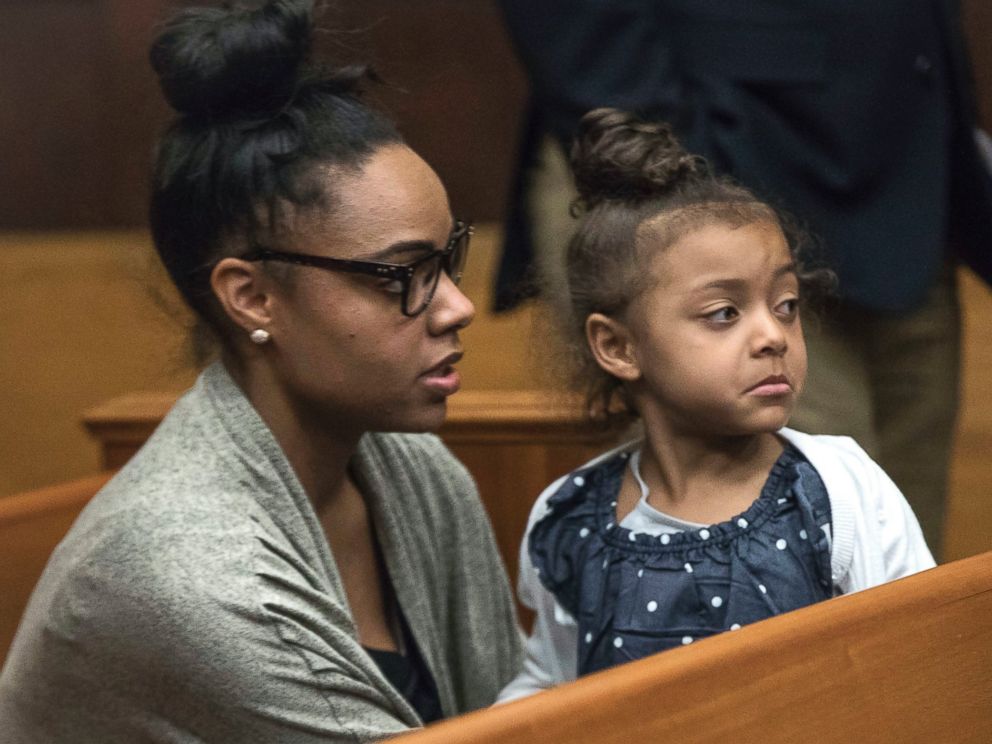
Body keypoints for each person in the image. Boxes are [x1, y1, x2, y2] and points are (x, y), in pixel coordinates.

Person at [0, 1, 523, 740]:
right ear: (252, 296)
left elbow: (516, 719)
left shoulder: (418, 469)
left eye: (449, 261)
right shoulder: (190, 575)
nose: (458, 307)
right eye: (399, 274)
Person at [494, 0, 992, 558]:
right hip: (713, 152)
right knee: (767, 543)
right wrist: (673, 173)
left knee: (895, 552)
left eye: (785, 311)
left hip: (909, 166)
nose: (775, 334)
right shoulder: (559, 526)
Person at [497, 109, 935, 700]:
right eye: (724, 313)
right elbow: (550, 682)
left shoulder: (838, 491)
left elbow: (917, 662)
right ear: (618, 346)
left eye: (785, 304)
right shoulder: (569, 520)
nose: (773, 336)